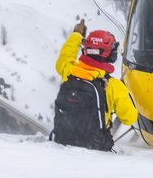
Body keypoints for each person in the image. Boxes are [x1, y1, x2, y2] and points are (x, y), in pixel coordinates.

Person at [53, 19, 137, 151]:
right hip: (95, 149)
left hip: (63, 143)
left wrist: (76, 34)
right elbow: (129, 118)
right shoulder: (113, 85)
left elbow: (65, 57)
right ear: (109, 54)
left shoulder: (69, 72)